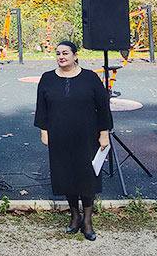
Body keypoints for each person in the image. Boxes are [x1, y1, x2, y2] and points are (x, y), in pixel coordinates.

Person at [34, 40, 113, 241]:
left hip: (87, 136)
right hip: (59, 136)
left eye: (66, 53)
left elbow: (103, 107)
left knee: (87, 177)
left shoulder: (90, 78)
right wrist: (44, 130)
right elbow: (41, 106)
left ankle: (87, 220)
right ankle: (74, 216)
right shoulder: (47, 78)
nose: (61, 56)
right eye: (58, 53)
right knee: (66, 175)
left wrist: (104, 133)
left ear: (75, 55)